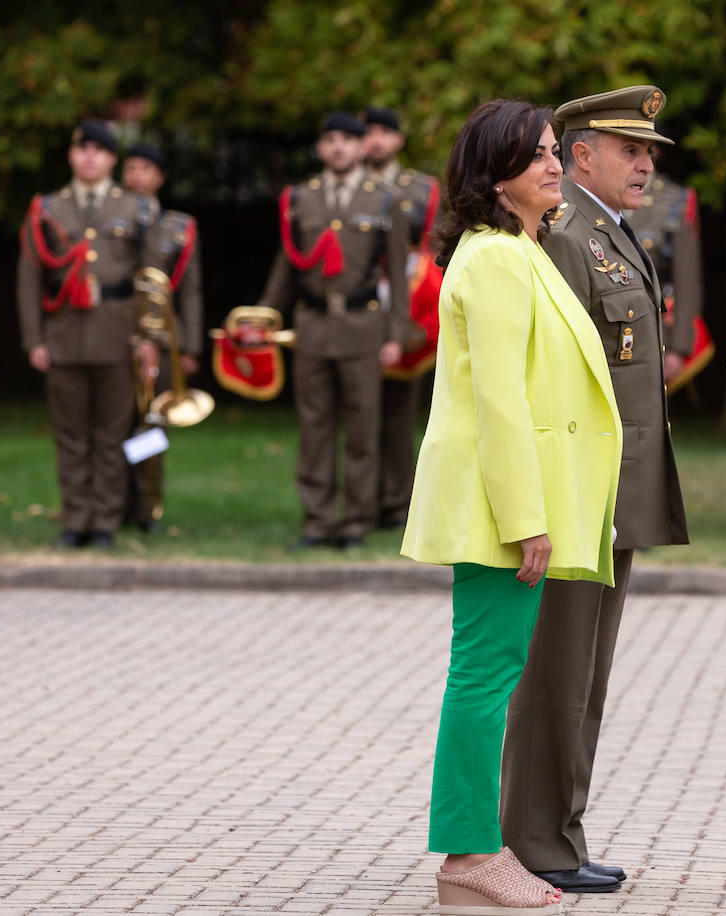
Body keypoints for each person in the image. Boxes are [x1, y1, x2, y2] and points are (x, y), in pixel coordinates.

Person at [400, 98, 622, 915]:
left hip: (511, 501)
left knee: (489, 672)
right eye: (535, 156)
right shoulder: (495, 259)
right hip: (501, 508)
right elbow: (498, 400)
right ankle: (467, 856)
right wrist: (527, 516)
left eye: (556, 151)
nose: (554, 164)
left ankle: (475, 852)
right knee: (484, 676)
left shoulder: (518, 250)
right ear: (494, 175)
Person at [500, 85, 689, 896]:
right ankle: (535, 841)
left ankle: (561, 834)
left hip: (615, 488)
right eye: (630, 150)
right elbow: (550, 381)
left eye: (650, 152)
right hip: (579, 489)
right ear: (581, 156)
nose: (646, 164)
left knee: (586, 674)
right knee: (557, 670)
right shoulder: (569, 236)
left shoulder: (609, 234)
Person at [256, 112, 413, 550]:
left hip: (364, 326)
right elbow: (287, 263)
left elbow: (398, 275)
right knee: (315, 426)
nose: (339, 147)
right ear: (321, 148)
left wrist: (396, 335)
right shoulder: (300, 198)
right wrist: (266, 316)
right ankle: (318, 519)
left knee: (363, 428)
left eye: (348, 139)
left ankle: (357, 521)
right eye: (330, 140)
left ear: (363, 147)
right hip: (312, 324)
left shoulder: (384, 199)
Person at [16, 119, 153, 550]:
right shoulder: (49, 208)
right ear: (72, 156)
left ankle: (105, 522)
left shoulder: (135, 208)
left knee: (111, 434)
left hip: (117, 333)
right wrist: (34, 339)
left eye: (99, 149)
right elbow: (29, 277)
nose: (90, 157)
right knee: (71, 435)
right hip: (65, 334)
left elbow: (150, 280)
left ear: (113, 158)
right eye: (82, 149)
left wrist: (148, 338)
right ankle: (75, 519)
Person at [363, 106, 441, 530]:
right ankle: (364, 500)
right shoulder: (346, 189)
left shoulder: (423, 189)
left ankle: (400, 502)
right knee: (360, 414)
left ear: (398, 140)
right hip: (358, 308)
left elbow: (436, 249)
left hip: (410, 307)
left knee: (400, 414)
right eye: (368, 132)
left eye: (383, 132)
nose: (374, 140)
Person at [120, 141, 203, 532]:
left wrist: (189, 346)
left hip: (165, 340)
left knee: (153, 423)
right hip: (119, 336)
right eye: (131, 167)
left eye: (145, 168)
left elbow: (190, 290)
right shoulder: (110, 220)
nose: (136, 174)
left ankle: (147, 502)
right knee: (116, 422)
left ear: (160, 178)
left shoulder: (178, 227)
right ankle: (113, 502)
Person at [624, 173, 702, 388]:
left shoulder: (675, 199)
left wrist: (679, 347)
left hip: (655, 332)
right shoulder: (597, 193)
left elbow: (686, 280)